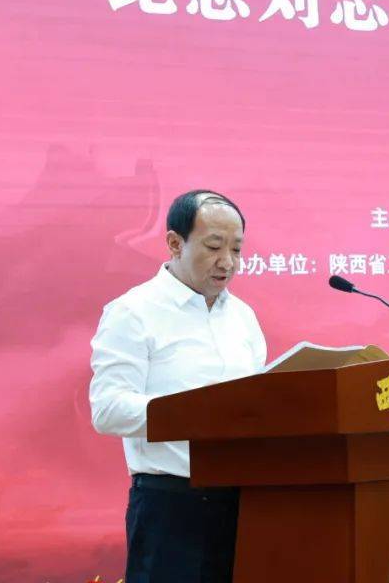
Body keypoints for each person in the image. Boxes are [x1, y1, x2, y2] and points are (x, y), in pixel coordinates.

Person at [89, 189, 267, 583]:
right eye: (214, 247)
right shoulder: (133, 312)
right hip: (170, 506)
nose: (228, 262)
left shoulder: (243, 317)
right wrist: (194, 412)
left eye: (237, 249)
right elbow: (108, 409)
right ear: (174, 243)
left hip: (245, 503)